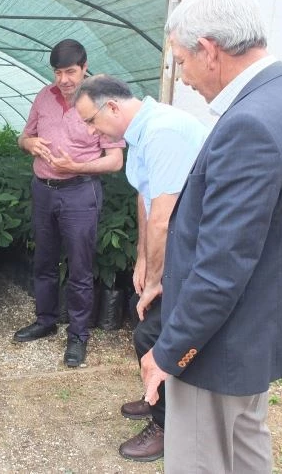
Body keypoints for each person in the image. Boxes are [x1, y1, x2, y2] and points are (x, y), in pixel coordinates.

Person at [140, 0, 282, 472]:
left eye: (182, 61)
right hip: (261, 331)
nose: (183, 77)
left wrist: (169, 351)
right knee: (246, 443)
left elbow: (222, 265)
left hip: (224, 343)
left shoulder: (249, 124)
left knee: (200, 459)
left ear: (208, 50)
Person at [74, 74, 207, 462]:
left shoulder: (163, 132)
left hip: (195, 253)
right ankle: (157, 398)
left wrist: (155, 280)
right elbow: (145, 197)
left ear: (113, 107)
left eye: (91, 121)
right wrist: (143, 260)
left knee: (154, 333)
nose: (91, 131)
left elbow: (163, 219)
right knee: (147, 324)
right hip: (175, 248)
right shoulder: (141, 132)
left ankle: (167, 425)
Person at [13, 39, 125, 367]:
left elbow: (115, 160)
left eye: (71, 72)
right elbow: (23, 137)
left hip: (80, 191)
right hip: (43, 190)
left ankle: (78, 335)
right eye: (58, 72)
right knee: (44, 261)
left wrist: (76, 166)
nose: (63, 80)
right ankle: (45, 320)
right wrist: (29, 144)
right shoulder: (44, 97)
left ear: (85, 67)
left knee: (79, 267)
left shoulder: (100, 103)